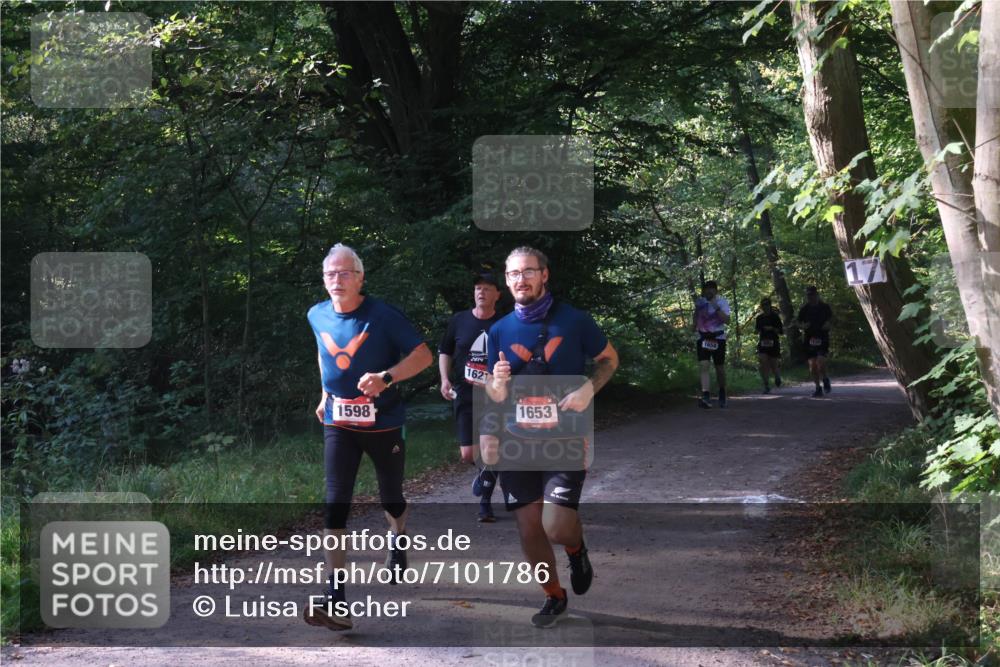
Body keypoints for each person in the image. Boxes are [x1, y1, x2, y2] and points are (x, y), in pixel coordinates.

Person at [486, 246, 619, 628]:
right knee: (529, 528)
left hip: (564, 439)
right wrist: (496, 386)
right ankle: (554, 596)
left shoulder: (575, 321)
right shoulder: (498, 330)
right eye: (513, 274)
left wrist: (588, 390)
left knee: (556, 526)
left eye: (528, 271)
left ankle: (576, 549)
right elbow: (496, 394)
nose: (520, 279)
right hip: (516, 441)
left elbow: (609, 359)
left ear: (545, 275)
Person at [303, 243, 433, 631]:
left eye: (345, 273)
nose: (337, 280)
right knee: (334, 503)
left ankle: (397, 536)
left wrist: (386, 378)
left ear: (360, 277)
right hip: (339, 424)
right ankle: (335, 596)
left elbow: (424, 356)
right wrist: (325, 394)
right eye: (331, 274)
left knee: (391, 497)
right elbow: (323, 353)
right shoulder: (316, 314)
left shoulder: (383, 316)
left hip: (384, 423)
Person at [438, 272, 504, 522]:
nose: (481, 292)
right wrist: (444, 379)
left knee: (489, 447)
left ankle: (485, 504)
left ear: (498, 294)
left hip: (493, 395)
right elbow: (445, 351)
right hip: (464, 393)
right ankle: (484, 474)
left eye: (487, 288)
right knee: (468, 454)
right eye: (478, 288)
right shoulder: (459, 320)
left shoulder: (504, 324)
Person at [693, 280, 731, 408]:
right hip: (703, 337)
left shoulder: (722, 302)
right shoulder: (700, 302)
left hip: (718, 338)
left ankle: (722, 392)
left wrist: (716, 307)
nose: (709, 291)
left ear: (716, 291)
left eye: (712, 289)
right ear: (703, 291)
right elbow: (696, 315)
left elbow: (727, 321)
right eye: (706, 289)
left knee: (719, 368)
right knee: (704, 365)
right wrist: (692, 328)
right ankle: (706, 396)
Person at [795, 285, 833, 397]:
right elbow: (797, 322)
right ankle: (818, 388)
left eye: (812, 295)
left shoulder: (825, 307)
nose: (810, 297)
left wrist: (828, 324)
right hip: (809, 339)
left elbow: (832, 319)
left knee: (820, 362)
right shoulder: (804, 309)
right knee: (812, 366)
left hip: (822, 337)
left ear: (817, 294)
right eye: (808, 295)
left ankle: (825, 379)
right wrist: (802, 326)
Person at [755, 298, 783, 393]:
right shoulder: (759, 318)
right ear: (762, 307)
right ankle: (766, 385)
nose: (765, 307)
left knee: (773, 364)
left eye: (767, 305)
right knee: (763, 363)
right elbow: (757, 330)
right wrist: (757, 331)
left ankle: (777, 376)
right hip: (763, 342)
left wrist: (772, 328)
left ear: (770, 306)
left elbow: (780, 331)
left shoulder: (775, 317)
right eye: (763, 305)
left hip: (773, 342)